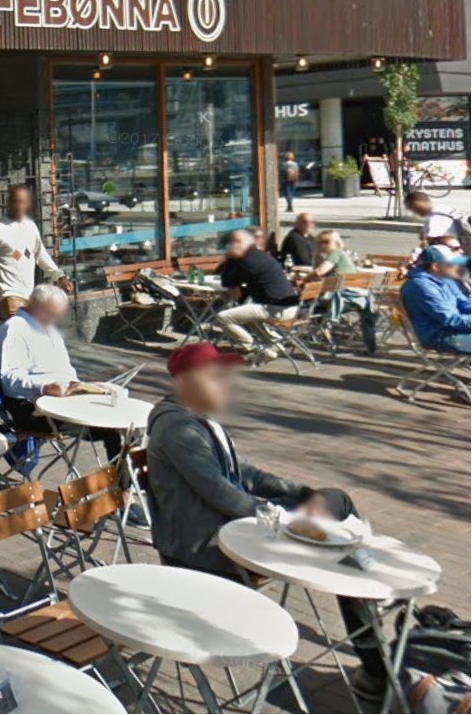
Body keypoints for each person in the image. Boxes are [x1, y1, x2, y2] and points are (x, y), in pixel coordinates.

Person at [147, 342, 389, 699]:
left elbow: (245, 473)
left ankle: (367, 593)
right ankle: (376, 664)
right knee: (338, 534)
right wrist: (279, 516)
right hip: (210, 545)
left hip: (230, 525)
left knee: (335, 504)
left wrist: (299, 493)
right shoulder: (178, 429)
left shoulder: (199, 418)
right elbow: (221, 493)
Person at [0, 283, 120, 460]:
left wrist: (83, 387)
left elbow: (64, 368)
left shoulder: (47, 327)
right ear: (37, 307)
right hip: (33, 407)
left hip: (62, 398)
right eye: (52, 314)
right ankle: (124, 485)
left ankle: (133, 479)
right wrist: (44, 388)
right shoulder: (15, 329)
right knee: (112, 431)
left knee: (116, 412)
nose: (55, 320)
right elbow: (10, 379)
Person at [0, 184, 72, 319]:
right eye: (15, 201)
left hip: (28, 293)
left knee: (23, 335)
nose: (19, 205)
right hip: (8, 293)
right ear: (8, 202)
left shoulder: (30, 227)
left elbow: (40, 255)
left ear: (28, 204)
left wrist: (59, 276)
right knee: (21, 329)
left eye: (23, 202)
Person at [215, 229, 300, 357]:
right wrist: (233, 260)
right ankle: (273, 344)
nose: (231, 247)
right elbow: (228, 278)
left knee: (222, 317)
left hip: (274, 309)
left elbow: (227, 281)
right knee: (245, 313)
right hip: (289, 307)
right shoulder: (261, 255)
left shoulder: (248, 262)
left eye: (235, 243)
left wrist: (231, 259)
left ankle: (257, 348)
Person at [401, 245, 471, 355]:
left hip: (454, 329)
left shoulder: (445, 279)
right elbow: (449, 319)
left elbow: (463, 303)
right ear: (436, 266)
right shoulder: (421, 286)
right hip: (437, 335)